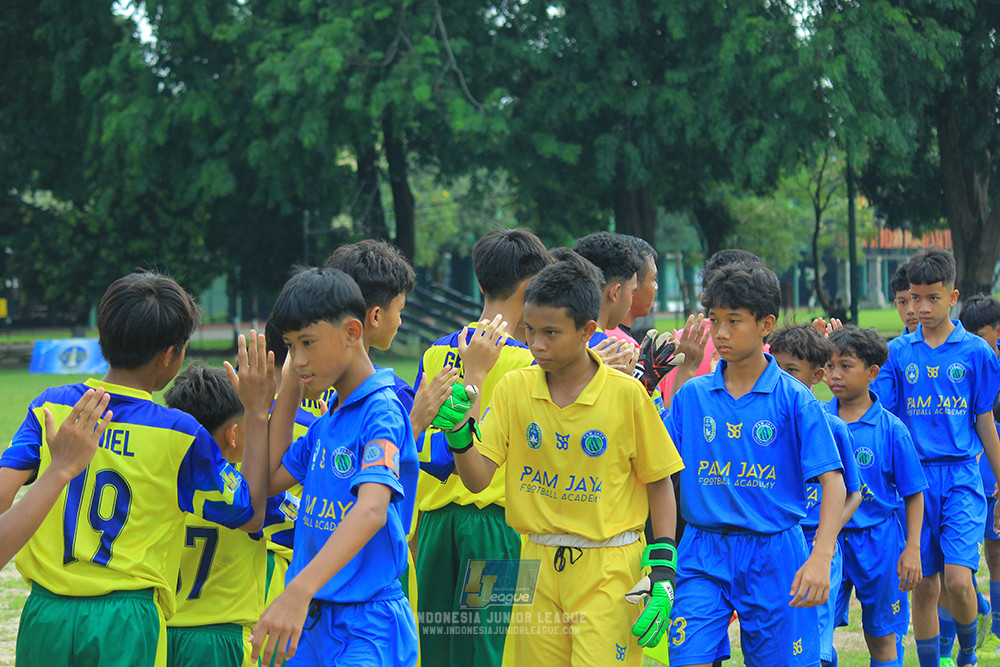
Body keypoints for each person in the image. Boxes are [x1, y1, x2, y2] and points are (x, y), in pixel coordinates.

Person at [0, 271, 267, 666]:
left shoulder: (50, 407)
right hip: (126, 617)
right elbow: (249, 514)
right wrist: (258, 413)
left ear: (102, 334)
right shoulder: (180, 434)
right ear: (169, 355)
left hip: (46, 613)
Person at [435, 258, 684, 665]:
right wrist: (460, 435)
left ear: (588, 331)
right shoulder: (516, 388)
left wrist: (662, 569)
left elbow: (659, 480)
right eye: (530, 330)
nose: (537, 345)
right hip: (534, 563)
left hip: (608, 567)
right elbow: (478, 479)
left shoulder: (626, 395)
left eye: (551, 333)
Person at [666, 264, 846, 666]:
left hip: (775, 551)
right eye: (715, 320)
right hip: (702, 550)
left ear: (766, 324)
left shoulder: (794, 398)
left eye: (734, 321)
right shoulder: (693, 394)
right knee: (687, 659)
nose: (721, 333)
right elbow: (660, 462)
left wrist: (820, 558)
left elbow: (833, 483)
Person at [250, 267, 419, 667]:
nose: (299, 359)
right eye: (291, 347)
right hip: (312, 621)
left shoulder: (382, 410)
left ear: (352, 332)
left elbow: (373, 509)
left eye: (307, 343)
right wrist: (260, 411)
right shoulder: (329, 421)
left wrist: (297, 591)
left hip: (366, 625)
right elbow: (266, 483)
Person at [413, 228, 551, 667]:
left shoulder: (436, 352)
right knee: (492, 651)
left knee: (435, 648)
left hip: (435, 522)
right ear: (532, 288)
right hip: (496, 526)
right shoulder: (531, 362)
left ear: (480, 285)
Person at [872, 247, 1000, 667]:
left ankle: (967, 649)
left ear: (953, 296)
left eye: (932, 298)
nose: (921, 308)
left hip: (962, 476)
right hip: (915, 482)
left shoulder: (978, 353)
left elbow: (984, 420)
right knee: (924, 585)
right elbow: (881, 417)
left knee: (960, 581)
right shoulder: (897, 354)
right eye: (914, 297)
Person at [164, 360, 298, 667]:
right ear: (234, 435)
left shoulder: (160, 474)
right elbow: (314, 529)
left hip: (160, 632)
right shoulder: (251, 495)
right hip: (220, 639)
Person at [825, 326, 928, 667]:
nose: (834, 375)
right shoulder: (817, 420)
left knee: (882, 637)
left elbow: (914, 494)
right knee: (813, 630)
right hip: (829, 539)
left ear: (872, 373)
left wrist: (912, 548)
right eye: (829, 365)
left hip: (879, 543)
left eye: (845, 366)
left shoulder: (892, 429)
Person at [769, 324, 863, 667]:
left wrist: (826, 536)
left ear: (817, 375)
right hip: (777, 542)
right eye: (775, 368)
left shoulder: (832, 426)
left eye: (791, 370)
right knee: (784, 631)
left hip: (817, 544)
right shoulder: (765, 422)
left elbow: (853, 493)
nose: (781, 378)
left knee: (816, 630)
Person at [0, 389, 110, 569]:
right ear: (166, 359)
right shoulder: (170, 427)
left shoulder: (50, 403)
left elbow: (3, 492)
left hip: (47, 589)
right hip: (136, 591)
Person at [958, 294, 1000, 655]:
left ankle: (997, 623)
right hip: (971, 475)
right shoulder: (968, 362)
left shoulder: (988, 364)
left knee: (997, 552)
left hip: (993, 472)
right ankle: (982, 609)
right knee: (962, 562)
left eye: (981, 333)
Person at [607, 235, 658, 345]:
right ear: (633, 283)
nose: (656, 287)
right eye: (653, 279)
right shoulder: (621, 346)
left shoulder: (592, 334)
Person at [891, 262, 918, 335]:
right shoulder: (893, 346)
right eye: (902, 302)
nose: (910, 310)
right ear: (896, 305)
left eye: (915, 299)